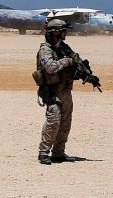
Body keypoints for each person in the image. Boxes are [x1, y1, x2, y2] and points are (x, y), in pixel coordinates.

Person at [36, 18, 77, 165]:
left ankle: (59, 152)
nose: (65, 34)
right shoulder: (45, 50)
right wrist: (67, 61)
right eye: (63, 31)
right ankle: (43, 152)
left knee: (65, 123)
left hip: (65, 89)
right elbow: (50, 68)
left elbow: (73, 61)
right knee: (53, 121)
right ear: (55, 33)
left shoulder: (63, 48)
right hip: (53, 91)